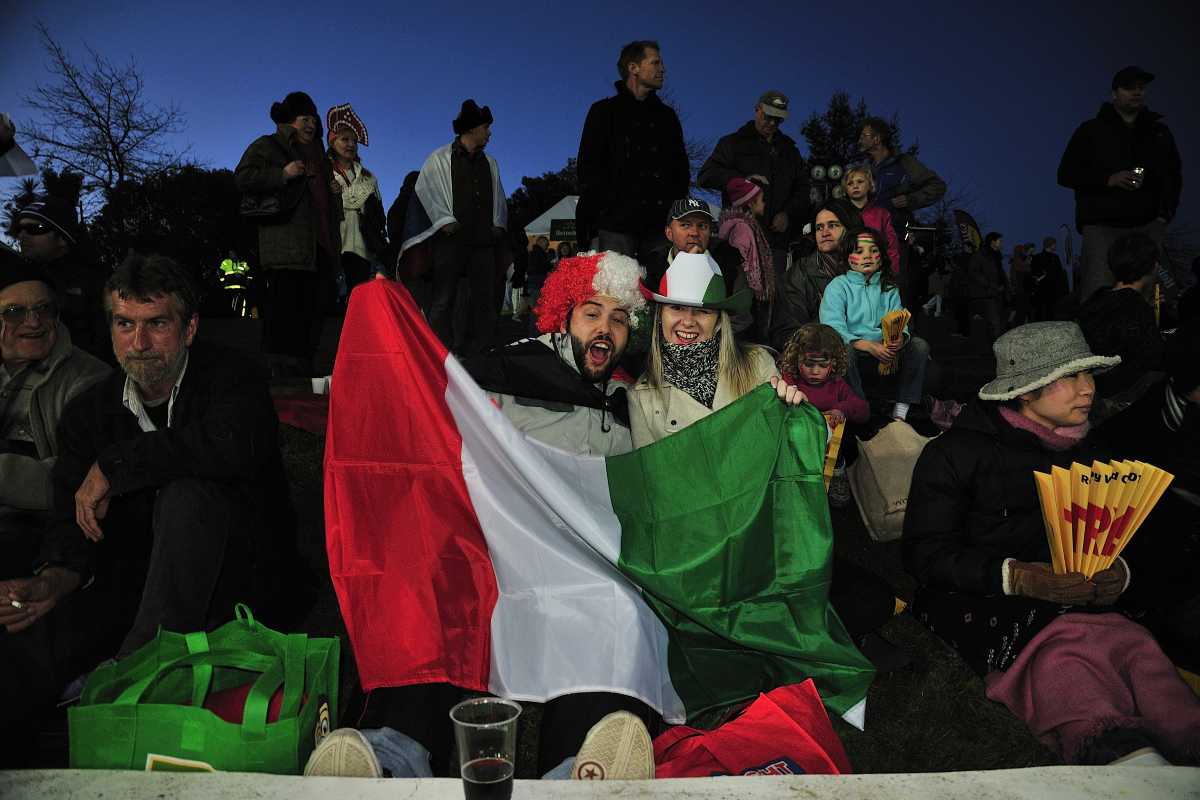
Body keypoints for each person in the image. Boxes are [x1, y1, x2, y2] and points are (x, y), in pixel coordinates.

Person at [311, 252, 657, 782]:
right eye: (592, 312)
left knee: (619, 609)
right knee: (426, 587)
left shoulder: (634, 402)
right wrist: (390, 318)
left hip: (582, 565)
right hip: (492, 551)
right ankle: (391, 755)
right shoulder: (503, 375)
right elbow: (426, 402)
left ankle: (577, 770)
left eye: (619, 318)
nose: (605, 329)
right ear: (563, 316)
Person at [0, 254, 296, 766]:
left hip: (238, 584)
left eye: (157, 324)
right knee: (33, 636)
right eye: (124, 324)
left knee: (189, 493)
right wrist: (54, 577)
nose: (138, 344)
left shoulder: (233, 377)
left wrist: (118, 465)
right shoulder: (90, 411)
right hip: (133, 587)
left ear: (189, 328)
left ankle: (134, 677)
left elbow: (230, 444)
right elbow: (70, 515)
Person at [904, 321, 1200, 765]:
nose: (1088, 390)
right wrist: (1015, 577)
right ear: (1026, 391)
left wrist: (1121, 573)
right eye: (1070, 377)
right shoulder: (955, 455)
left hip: (1086, 603)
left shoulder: (1097, 455)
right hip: (987, 598)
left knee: (1135, 647)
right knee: (1067, 651)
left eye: (1089, 376)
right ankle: (1111, 745)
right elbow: (925, 554)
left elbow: (1142, 536)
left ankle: (1187, 734)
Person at [0, 258, 109, 578]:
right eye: (14, 312)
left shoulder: (89, 380)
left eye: (43, 309)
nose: (33, 322)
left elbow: (73, 479)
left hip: (45, 532)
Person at [235, 90, 341, 376]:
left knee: (314, 310)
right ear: (289, 121)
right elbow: (242, 177)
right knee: (284, 309)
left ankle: (304, 368)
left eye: (313, 119)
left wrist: (334, 195)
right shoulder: (269, 146)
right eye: (304, 119)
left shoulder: (321, 155)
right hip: (286, 246)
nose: (311, 125)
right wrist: (282, 174)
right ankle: (278, 371)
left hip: (320, 245)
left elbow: (324, 203)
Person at [1058, 66, 1182, 302]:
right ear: (1114, 93)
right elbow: (1066, 174)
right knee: (1097, 293)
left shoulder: (1159, 132)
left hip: (1147, 226)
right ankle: (1094, 338)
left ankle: (1140, 338)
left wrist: (1164, 215)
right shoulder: (1090, 130)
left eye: (1141, 88)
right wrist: (1108, 179)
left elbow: (1173, 175)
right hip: (1101, 226)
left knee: (1143, 297)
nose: (1136, 92)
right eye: (1128, 87)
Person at [399, 99, 509, 355]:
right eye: (485, 127)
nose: (489, 132)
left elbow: (499, 196)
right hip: (451, 241)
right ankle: (439, 352)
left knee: (484, 300)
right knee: (443, 299)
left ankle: (480, 352)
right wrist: (444, 221)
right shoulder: (439, 158)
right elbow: (426, 190)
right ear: (471, 129)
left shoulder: (489, 163)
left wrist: (497, 226)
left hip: (482, 243)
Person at [576, 41, 689, 261]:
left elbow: (681, 170)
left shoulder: (667, 118)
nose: (663, 69)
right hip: (614, 226)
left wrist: (672, 214)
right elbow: (588, 168)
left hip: (659, 227)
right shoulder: (604, 111)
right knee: (614, 294)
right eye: (655, 62)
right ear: (633, 68)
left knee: (660, 292)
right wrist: (600, 217)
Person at [819, 226, 929, 421]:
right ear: (847, 257)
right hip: (855, 349)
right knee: (844, 350)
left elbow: (899, 320)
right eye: (859, 251)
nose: (867, 256)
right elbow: (832, 327)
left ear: (882, 257)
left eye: (874, 250)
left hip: (885, 350)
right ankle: (860, 407)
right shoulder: (838, 286)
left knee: (919, 346)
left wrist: (900, 339)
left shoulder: (889, 288)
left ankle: (901, 410)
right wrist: (866, 345)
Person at [698, 90, 810, 277]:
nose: (772, 123)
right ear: (757, 109)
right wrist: (741, 182)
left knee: (771, 299)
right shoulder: (732, 143)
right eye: (768, 117)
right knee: (738, 297)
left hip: (776, 244)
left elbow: (803, 189)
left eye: (778, 119)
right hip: (738, 241)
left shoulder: (790, 152)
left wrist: (787, 214)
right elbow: (705, 175)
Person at [779, 322, 869, 507]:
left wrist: (841, 408)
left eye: (822, 365)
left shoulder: (837, 385)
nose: (815, 371)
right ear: (797, 359)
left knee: (838, 451)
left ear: (833, 363)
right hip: (796, 448)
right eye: (808, 364)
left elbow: (863, 411)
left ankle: (837, 474)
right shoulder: (790, 380)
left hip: (830, 452)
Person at [857, 116, 947, 299]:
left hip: (894, 240)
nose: (860, 139)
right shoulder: (866, 169)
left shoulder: (903, 163)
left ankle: (898, 327)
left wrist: (911, 199)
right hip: (866, 241)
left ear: (877, 139)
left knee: (893, 293)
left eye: (865, 135)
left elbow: (937, 186)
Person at [11, 198, 109, 360]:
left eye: (35, 228)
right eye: (19, 229)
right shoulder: (18, 279)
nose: (22, 235)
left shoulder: (96, 282)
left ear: (63, 238)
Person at [1076, 232, 1164, 410]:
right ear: (1152, 267)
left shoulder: (1096, 298)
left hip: (1090, 387)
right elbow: (1155, 358)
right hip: (1116, 396)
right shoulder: (1136, 307)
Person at [650, 197, 753, 337]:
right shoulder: (653, 265)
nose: (694, 233)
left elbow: (742, 319)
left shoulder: (729, 265)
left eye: (702, 226)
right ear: (669, 233)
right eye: (685, 225)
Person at [769, 200, 863, 350]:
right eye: (819, 228)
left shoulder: (868, 264)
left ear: (850, 228)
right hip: (820, 352)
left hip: (869, 344)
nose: (824, 233)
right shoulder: (800, 273)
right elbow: (787, 331)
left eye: (833, 225)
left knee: (914, 346)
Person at [326, 103, 387, 290]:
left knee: (357, 297)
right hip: (331, 244)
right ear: (332, 142)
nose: (351, 145)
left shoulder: (368, 177)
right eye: (345, 139)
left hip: (362, 249)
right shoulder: (323, 171)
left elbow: (379, 213)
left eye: (354, 141)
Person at [717, 177, 776, 340]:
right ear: (750, 203)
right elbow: (744, 262)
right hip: (747, 292)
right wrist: (754, 290)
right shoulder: (743, 228)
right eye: (761, 200)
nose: (764, 204)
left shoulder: (746, 226)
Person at [840, 165, 901, 275]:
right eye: (850, 183)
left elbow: (891, 246)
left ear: (870, 185)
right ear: (845, 189)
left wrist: (892, 272)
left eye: (860, 181)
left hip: (876, 272)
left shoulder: (881, 214)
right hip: (847, 273)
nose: (855, 186)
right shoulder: (839, 213)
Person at [967, 232, 1008, 342]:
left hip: (998, 293)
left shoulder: (997, 256)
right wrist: (989, 284)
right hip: (987, 295)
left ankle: (994, 349)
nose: (1002, 243)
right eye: (1000, 241)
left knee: (999, 323)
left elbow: (999, 274)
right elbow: (973, 272)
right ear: (993, 242)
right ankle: (995, 351)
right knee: (995, 324)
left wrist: (1005, 286)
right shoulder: (980, 255)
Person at [1030, 236, 1069, 321]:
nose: (1055, 246)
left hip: (1048, 290)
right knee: (1045, 312)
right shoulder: (1050, 257)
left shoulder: (1052, 257)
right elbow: (1034, 273)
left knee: (1047, 312)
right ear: (1050, 245)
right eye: (1054, 244)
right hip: (1045, 290)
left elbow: (1058, 273)